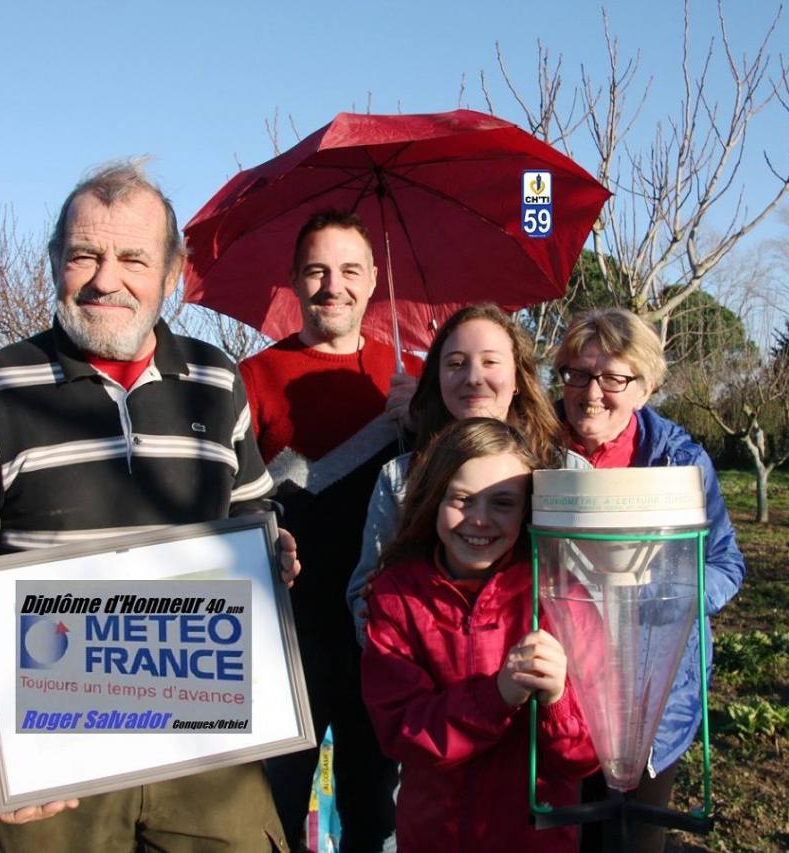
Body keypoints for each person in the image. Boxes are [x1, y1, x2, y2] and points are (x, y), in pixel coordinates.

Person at [0, 160, 297, 851]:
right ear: (54, 262)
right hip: (55, 743)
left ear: (173, 272)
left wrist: (275, 552)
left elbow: (257, 514)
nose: (105, 280)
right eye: (84, 254)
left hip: (205, 734)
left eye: (133, 258)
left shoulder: (216, 380)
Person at [238, 210, 419, 850]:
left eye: (348, 270)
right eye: (316, 270)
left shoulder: (412, 381)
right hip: (285, 636)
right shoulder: (252, 377)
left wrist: (419, 422)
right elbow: (228, 501)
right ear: (293, 279)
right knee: (274, 811)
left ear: (373, 280)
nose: (331, 286)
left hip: (383, 631)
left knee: (374, 815)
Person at [552, 307, 745, 853]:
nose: (592, 392)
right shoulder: (529, 447)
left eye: (613, 377)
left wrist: (672, 592)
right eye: (577, 374)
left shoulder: (679, 462)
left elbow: (726, 564)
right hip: (552, 696)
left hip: (649, 701)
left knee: (633, 841)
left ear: (645, 386)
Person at [361, 417, 598, 851]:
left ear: (527, 510)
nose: (480, 520)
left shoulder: (560, 597)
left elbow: (585, 756)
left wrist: (558, 699)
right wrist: (498, 695)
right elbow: (400, 733)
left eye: (502, 503)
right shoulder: (398, 595)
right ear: (433, 499)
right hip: (432, 838)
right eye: (462, 499)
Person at [346, 303, 573, 643]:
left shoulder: (565, 472)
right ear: (437, 379)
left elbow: (591, 600)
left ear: (519, 378)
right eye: (455, 364)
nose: (472, 378)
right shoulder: (400, 477)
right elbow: (364, 602)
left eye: (490, 362)